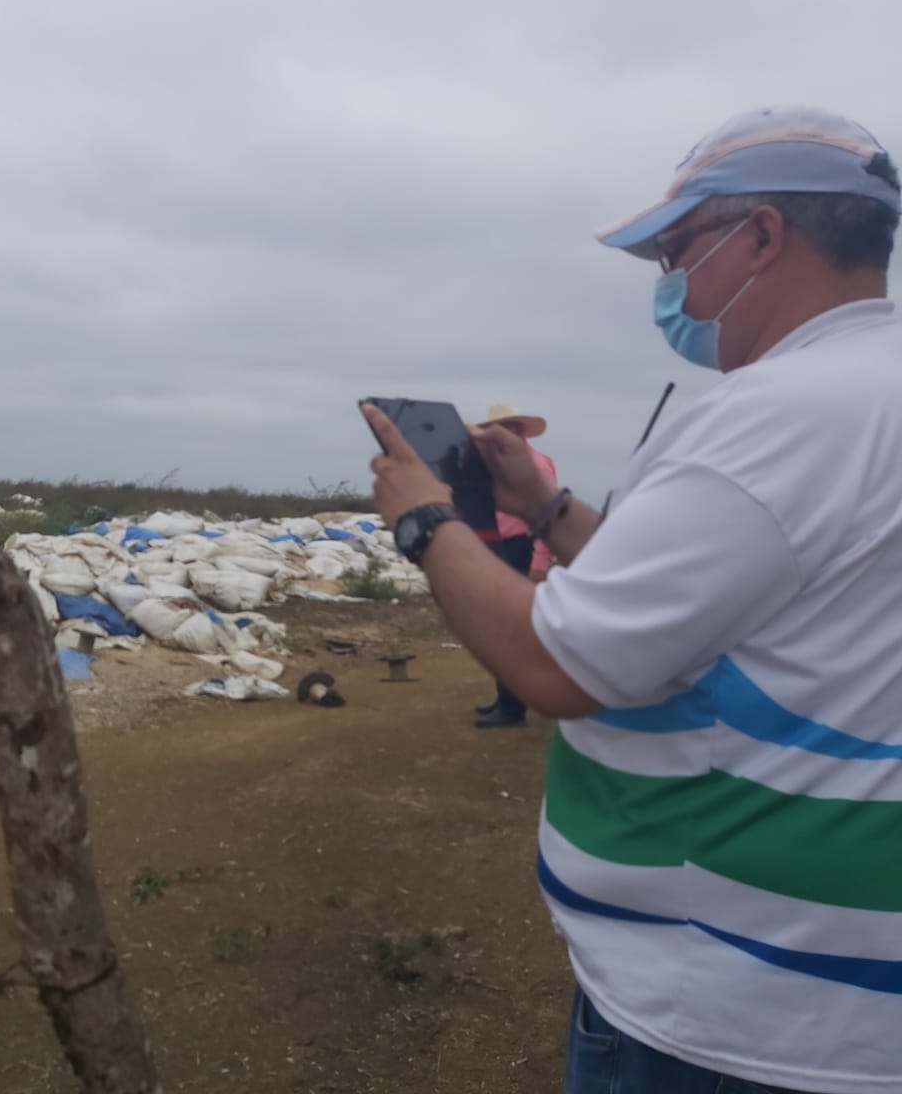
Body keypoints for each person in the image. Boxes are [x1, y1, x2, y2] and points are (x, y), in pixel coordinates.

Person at [360, 106, 902, 1094]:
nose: (669, 284)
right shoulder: (872, 394)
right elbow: (712, 598)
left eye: (674, 252)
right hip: (845, 988)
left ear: (761, 236)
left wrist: (423, 519)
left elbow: (552, 664)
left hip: (732, 1007)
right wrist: (546, 509)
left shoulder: (776, 415)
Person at [471, 402, 557, 728]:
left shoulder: (537, 465)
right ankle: (505, 698)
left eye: (509, 427)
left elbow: (547, 515)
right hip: (497, 545)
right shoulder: (493, 466)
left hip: (521, 547)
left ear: (519, 431)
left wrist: (540, 561)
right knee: (497, 626)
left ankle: (512, 706)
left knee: (513, 629)